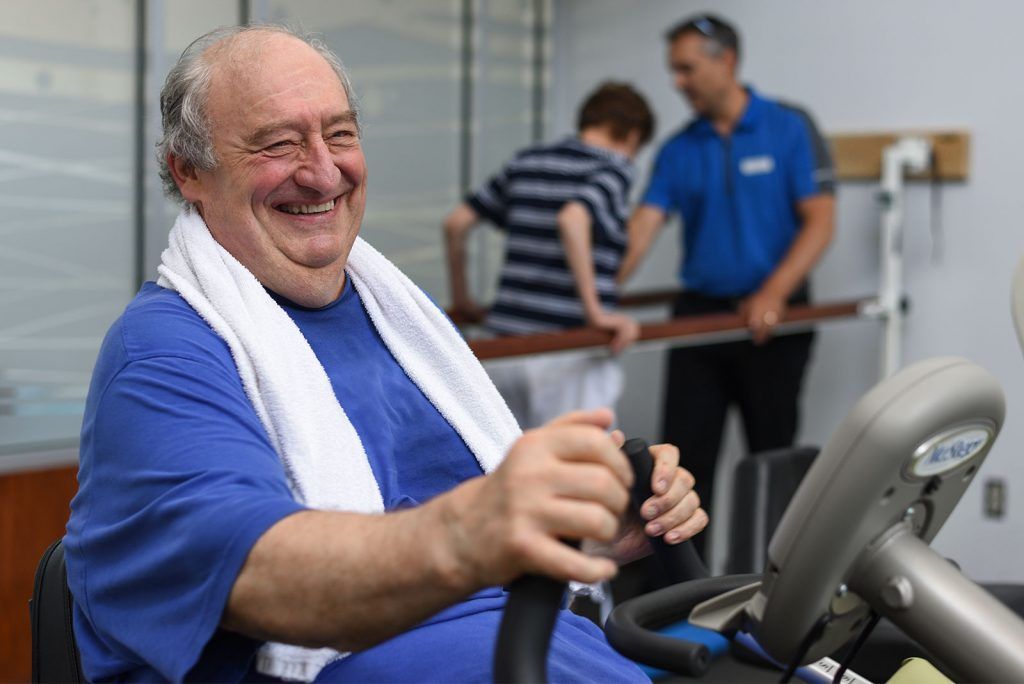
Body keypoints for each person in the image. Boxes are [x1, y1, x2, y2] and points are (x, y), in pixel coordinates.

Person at [63, 25, 707, 683]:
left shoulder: (400, 318)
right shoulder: (163, 356)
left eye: (339, 134)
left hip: (535, 649)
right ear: (189, 171)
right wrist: (474, 529)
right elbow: (258, 575)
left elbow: (423, 534)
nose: (322, 171)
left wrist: (587, 529)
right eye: (278, 143)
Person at [617, 14, 835, 558]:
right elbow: (642, 228)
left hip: (776, 321)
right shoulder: (677, 149)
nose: (679, 82)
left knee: (771, 460)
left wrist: (775, 292)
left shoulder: (789, 127)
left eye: (688, 69)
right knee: (681, 467)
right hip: (700, 320)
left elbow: (821, 219)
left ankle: (774, 596)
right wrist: (592, 298)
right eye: (675, 71)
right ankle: (685, 601)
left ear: (726, 61)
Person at [444, 83, 653, 429]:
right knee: (577, 474)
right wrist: (595, 312)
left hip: (505, 347)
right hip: (567, 353)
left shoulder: (528, 161)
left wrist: (462, 297)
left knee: (508, 468)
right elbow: (573, 218)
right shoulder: (614, 168)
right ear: (632, 136)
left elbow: (456, 224)